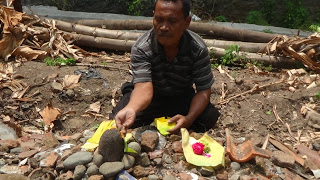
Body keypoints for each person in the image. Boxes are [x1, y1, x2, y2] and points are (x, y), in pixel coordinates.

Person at [109, 0, 220, 134]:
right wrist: (132, 108)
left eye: (172, 21)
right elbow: (144, 86)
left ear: (187, 22)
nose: (163, 27)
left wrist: (189, 118)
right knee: (120, 119)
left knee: (209, 116)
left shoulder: (197, 49)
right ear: (153, 17)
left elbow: (203, 91)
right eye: (159, 19)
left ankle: (179, 124)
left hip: (181, 96)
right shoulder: (142, 47)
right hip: (150, 97)